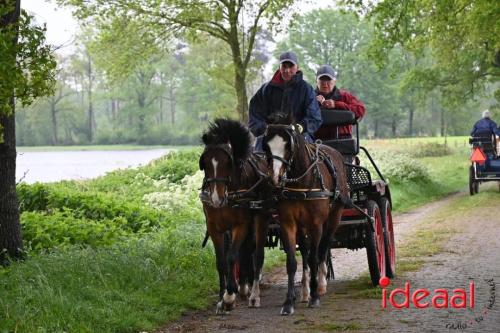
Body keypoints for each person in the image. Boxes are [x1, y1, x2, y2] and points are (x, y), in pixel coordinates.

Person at [249, 51, 322, 150]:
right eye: (284, 66)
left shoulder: (306, 89)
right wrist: (263, 128)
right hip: (270, 134)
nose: (287, 70)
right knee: (258, 152)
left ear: (297, 67)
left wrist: (299, 127)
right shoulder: (267, 89)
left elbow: (315, 118)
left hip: (299, 134)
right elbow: (255, 114)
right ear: (279, 67)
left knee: (304, 158)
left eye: (291, 66)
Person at [314, 65, 365, 140]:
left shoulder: (344, 96)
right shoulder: (310, 97)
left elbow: (361, 109)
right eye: (322, 80)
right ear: (317, 81)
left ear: (334, 81)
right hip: (317, 140)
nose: (325, 84)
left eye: (328, 80)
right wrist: (313, 104)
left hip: (342, 139)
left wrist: (336, 104)